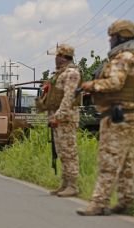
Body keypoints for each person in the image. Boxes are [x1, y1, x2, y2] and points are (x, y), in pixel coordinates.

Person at [77, 20, 134, 216]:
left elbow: (115, 83)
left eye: (112, 36)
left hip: (118, 114)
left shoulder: (122, 58)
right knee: (127, 160)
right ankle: (126, 200)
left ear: (119, 37)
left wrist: (91, 85)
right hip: (131, 114)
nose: (110, 40)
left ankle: (99, 202)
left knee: (108, 158)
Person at [44, 44, 81, 197]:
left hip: (66, 119)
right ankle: (65, 184)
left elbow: (68, 97)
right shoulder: (60, 74)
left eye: (57, 55)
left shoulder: (71, 73)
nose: (55, 58)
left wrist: (58, 116)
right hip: (58, 119)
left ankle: (73, 185)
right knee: (62, 152)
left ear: (63, 57)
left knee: (69, 151)